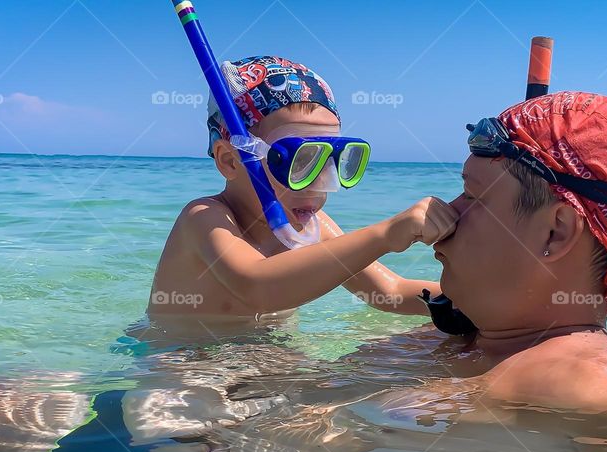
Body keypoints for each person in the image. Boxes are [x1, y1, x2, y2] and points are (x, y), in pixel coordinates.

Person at [147, 56, 457, 331]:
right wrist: (385, 235)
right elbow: (258, 286)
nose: (320, 182)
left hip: (269, 364)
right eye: (300, 161)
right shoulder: (205, 219)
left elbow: (389, 292)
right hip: (184, 365)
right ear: (230, 161)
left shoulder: (314, 226)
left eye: (335, 161)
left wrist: (471, 301)